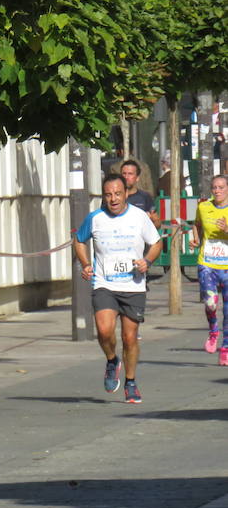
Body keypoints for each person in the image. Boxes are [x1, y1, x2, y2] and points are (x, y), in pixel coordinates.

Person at [73, 174, 163, 403]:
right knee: (104, 331)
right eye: (108, 194)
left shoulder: (139, 217)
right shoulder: (95, 218)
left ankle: (130, 382)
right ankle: (112, 360)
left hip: (133, 285)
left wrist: (147, 262)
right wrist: (85, 264)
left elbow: (156, 242)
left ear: (126, 194)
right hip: (105, 283)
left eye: (117, 194)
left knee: (130, 337)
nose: (113, 199)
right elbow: (79, 240)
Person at [189, 175, 228, 365]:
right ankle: (213, 330)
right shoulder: (204, 207)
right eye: (214, 187)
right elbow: (196, 225)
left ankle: (226, 348)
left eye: (221, 187)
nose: (217, 191)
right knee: (210, 302)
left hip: (227, 267)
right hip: (207, 263)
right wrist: (196, 238)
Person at [119, 159, 162, 229]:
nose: (126, 177)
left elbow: (157, 222)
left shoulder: (145, 197)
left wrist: (146, 228)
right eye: (124, 173)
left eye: (130, 174)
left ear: (137, 178)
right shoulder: (114, 197)